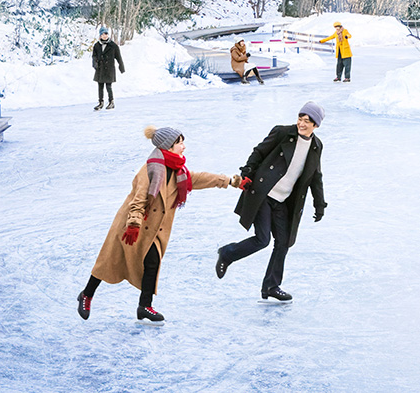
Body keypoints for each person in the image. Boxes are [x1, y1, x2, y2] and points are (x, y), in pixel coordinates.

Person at [77, 126, 245, 323]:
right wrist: (133, 224)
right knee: (109, 261)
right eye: (180, 143)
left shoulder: (178, 170)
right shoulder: (150, 169)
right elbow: (139, 199)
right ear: (169, 146)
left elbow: (198, 178)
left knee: (152, 262)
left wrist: (230, 181)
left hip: (154, 229)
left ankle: (144, 307)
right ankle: (86, 294)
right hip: (133, 225)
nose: (184, 146)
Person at [216, 102, 327, 302]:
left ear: (316, 125)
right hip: (263, 194)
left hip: (283, 200)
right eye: (300, 119)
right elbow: (259, 152)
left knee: (283, 242)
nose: (301, 124)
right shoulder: (282, 133)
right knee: (262, 239)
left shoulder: (316, 146)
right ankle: (227, 253)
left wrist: (319, 204)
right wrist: (247, 172)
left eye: (307, 121)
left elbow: (315, 177)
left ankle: (271, 286)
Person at [92, 26, 125, 111]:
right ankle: (100, 102)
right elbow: (94, 56)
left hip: (109, 69)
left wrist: (121, 67)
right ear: (100, 35)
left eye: (106, 34)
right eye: (103, 34)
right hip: (100, 69)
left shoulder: (113, 46)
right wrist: (95, 64)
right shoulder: (97, 45)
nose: (105, 35)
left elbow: (118, 57)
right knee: (100, 86)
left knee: (108, 86)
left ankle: (111, 102)